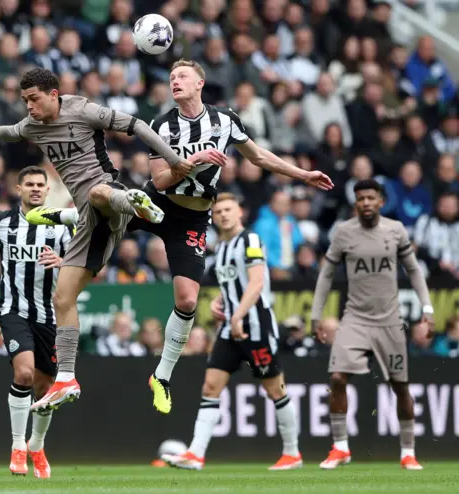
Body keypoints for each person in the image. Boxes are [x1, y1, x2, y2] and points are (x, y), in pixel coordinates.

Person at [28, 60, 334, 415]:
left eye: (182, 76)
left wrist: (302, 175)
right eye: (171, 77)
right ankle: (68, 216)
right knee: (104, 214)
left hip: (192, 217)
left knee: (188, 300)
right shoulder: (162, 125)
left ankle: (161, 376)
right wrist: (194, 159)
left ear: (200, 83)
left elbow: (259, 156)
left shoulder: (225, 120)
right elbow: (159, 180)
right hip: (155, 203)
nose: (175, 81)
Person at [0, 68, 221, 412]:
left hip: (109, 193)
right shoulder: (32, 125)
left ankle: (135, 202)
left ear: (53, 94)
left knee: (97, 192)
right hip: (90, 223)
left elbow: (136, 125)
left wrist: (173, 160)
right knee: (62, 297)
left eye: (34, 99)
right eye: (25, 101)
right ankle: (66, 377)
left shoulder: (83, 110)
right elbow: (13, 132)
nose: (29, 107)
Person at [161, 193, 301, 471]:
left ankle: (292, 453)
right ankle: (195, 454)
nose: (223, 214)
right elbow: (233, 287)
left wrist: (237, 315)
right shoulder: (222, 248)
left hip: (255, 326)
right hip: (230, 327)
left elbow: (257, 283)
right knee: (210, 387)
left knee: (275, 389)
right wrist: (220, 304)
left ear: (240, 213)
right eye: (219, 211)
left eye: (228, 209)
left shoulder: (249, 240)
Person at [311, 179, 434, 471]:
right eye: (360, 199)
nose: (365, 203)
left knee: (400, 387)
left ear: (380, 201)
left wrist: (427, 309)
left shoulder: (395, 230)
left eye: (370, 198)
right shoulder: (343, 233)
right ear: (355, 203)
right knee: (338, 378)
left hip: (390, 321)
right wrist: (316, 316)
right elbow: (326, 275)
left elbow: (414, 270)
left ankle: (408, 451)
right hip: (354, 318)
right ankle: (340, 447)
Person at [0, 165, 71, 477]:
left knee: (47, 388)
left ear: (47, 189)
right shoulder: (2, 221)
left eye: (41, 184)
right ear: (19, 189)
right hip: (14, 310)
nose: (36, 189)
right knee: (24, 373)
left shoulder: (62, 226)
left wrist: (64, 262)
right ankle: (17, 447)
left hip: (50, 316)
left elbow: (88, 268)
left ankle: (36, 445)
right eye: (30, 184)